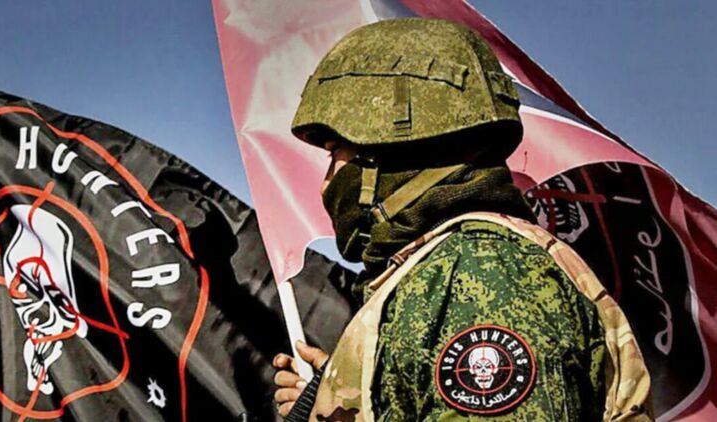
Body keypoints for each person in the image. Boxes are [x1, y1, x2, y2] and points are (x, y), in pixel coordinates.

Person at [273, 18, 652, 421]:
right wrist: (339, 401)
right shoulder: (450, 269)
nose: (326, 184)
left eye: (335, 153)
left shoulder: (479, 273)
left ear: (389, 152)